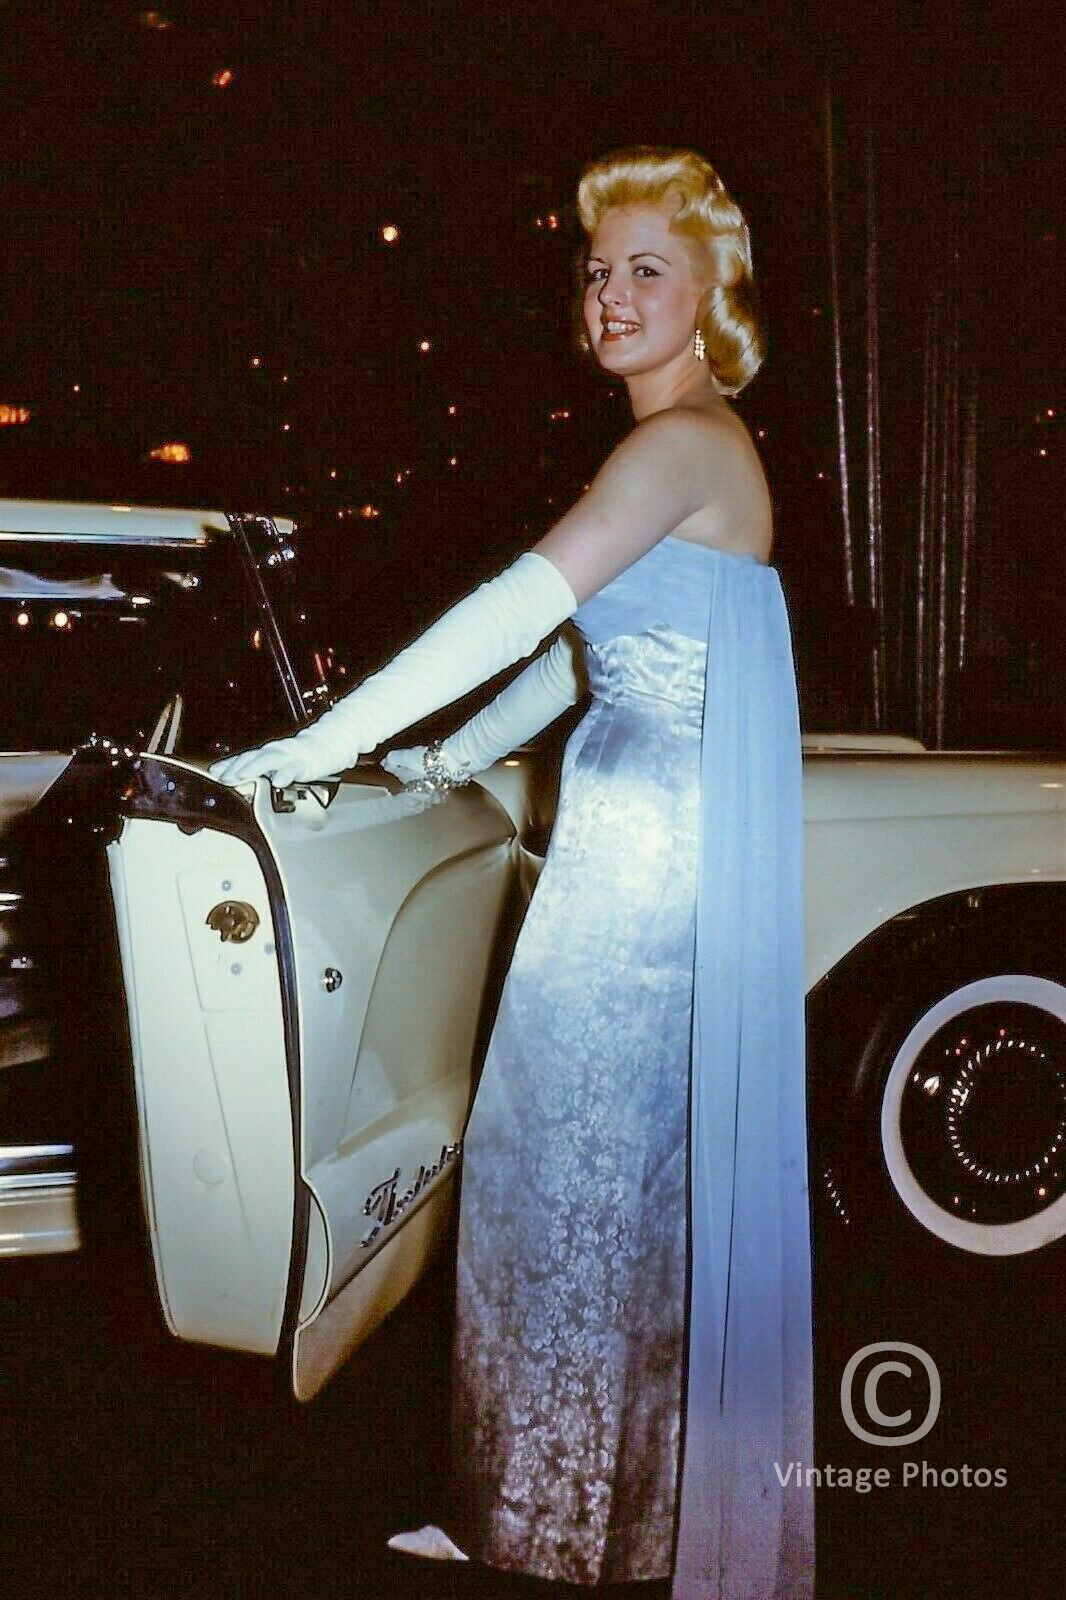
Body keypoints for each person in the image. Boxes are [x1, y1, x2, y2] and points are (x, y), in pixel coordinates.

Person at [211, 145, 814, 1599]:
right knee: (587, 1188)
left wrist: (314, 747)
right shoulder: (683, 443)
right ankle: (550, 1510)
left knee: (576, 1185)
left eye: (645, 269)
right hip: (628, 847)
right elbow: (569, 664)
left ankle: (555, 1518)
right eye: (596, 271)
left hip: (642, 875)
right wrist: (434, 762)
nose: (610, 296)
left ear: (711, 289)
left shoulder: (679, 445)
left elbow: (514, 609)